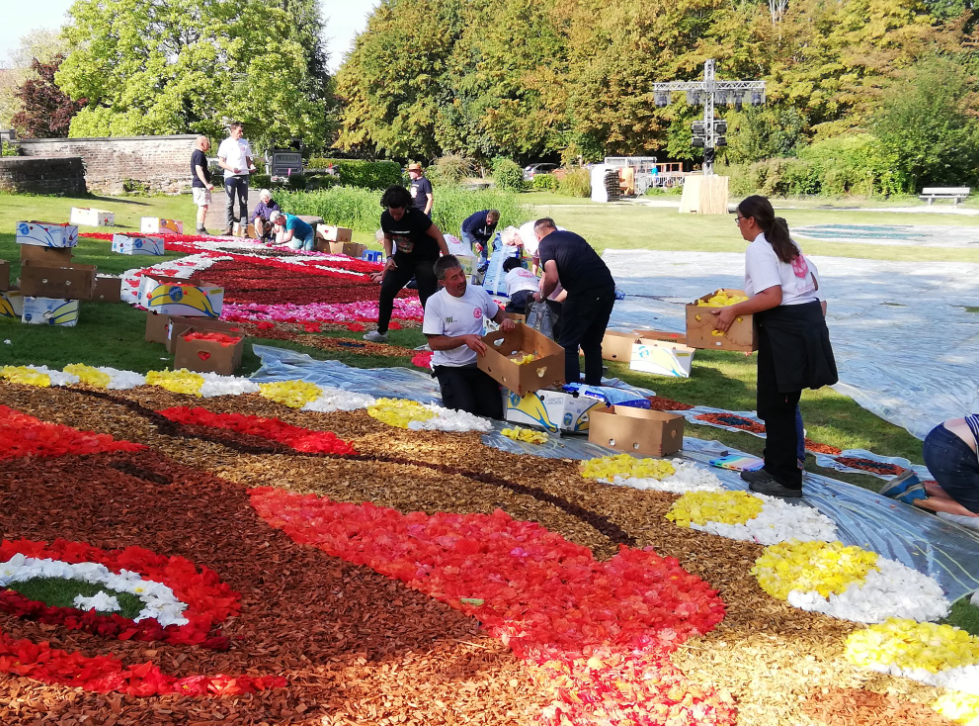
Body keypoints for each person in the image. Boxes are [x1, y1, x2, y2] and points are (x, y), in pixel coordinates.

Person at [712, 195, 837, 498]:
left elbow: (773, 297)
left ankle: (786, 479)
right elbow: (812, 290)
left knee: (779, 407)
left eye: (738, 219)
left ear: (750, 220)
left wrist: (733, 311)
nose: (738, 225)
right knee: (776, 404)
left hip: (787, 332)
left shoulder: (759, 247)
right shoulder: (784, 243)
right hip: (799, 327)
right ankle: (774, 466)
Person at [424, 255, 515, 419]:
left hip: (479, 364)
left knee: (494, 413)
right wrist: (464, 339)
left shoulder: (478, 292)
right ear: (442, 282)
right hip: (450, 366)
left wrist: (506, 320)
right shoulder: (435, 302)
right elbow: (434, 343)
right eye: (454, 277)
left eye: (461, 274)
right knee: (466, 413)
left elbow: (497, 314)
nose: (461, 280)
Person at [534, 218, 615, 386]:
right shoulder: (572, 237)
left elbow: (552, 277)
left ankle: (573, 390)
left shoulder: (545, 244)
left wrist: (542, 296)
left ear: (538, 236)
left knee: (567, 345)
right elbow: (580, 274)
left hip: (584, 291)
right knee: (591, 343)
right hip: (606, 286)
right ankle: (594, 386)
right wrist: (558, 301)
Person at [364, 185, 449, 343]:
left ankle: (435, 338)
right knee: (387, 289)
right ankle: (381, 332)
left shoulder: (417, 217)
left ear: (405, 207)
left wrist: (446, 261)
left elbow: (438, 236)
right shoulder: (386, 218)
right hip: (403, 258)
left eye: (399, 213)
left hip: (426, 258)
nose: (395, 217)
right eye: (392, 212)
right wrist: (389, 257)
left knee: (427, 298)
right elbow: (388, 237)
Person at [880, 416, 979, 530]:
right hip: (952, 452)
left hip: (940, 436)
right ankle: (917, 498)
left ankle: (921, 487)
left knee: (969, 494)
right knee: (976, 509)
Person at [217, 121, 254, 235]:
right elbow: (220, 162)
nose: (241, 133)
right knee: (229, 203)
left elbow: (248, 159)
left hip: (243, 175)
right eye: (239, 131)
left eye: (242, 131)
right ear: (232, 131)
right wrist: (231, 168)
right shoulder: (225, 143)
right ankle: (229, 228)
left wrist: (251, 166)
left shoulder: (244, 143)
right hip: (230, 176)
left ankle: (244, 228)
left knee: (243, 202)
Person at [190, 136, 215, 235]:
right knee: (203, 206)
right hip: (200, 185)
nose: (208, 145)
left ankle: (201, 227)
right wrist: (206, 184)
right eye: (207, 143)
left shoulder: (199, 154)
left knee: (204, 206)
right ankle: (199, 229)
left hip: (200, 185)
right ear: (202, 144)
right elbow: (199, 170)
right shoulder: (199, 155)